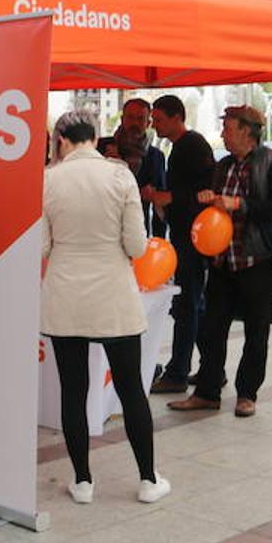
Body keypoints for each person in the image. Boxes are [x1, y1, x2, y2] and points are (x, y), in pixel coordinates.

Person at [43, 110, 169, 505]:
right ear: (95, 139)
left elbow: (42, 246)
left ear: (61, 140)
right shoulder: (120, 176)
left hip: (65, 296)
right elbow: (136, 246)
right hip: (113, 296)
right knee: (132, 388)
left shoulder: (48, 180)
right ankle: (148, 479)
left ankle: (82, 481)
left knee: (73, 391)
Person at [169, 105, 272, 418]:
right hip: (223, 259)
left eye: (227, 127)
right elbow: (217, 204)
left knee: (256, 329)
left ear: (246, 131)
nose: (223, 133)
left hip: (257, 259)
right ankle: (207, 392)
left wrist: (238, 204)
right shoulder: (223, 165)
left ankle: (247, 394)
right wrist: (209, 199)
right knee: (213, 329)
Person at [145, 95, 217, 394]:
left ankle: (178, 371)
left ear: (177, 118)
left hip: (193, 237)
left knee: (187, 303)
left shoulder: (193, 145)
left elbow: (205, 189)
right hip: (185, 234)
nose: (154, 125)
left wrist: (168, 198)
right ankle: (213, 368)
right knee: (192, 304)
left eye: (159, 119)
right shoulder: (179, 148)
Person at [99, 98, 167, 237]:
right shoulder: (102, 147)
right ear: (122, 119)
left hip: (137, 233)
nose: (135, 123)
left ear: (148, 123)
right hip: (103, 230)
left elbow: (159, 204)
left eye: (140, 118)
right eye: (130, 117)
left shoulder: (155, 156)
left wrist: (159, 241)